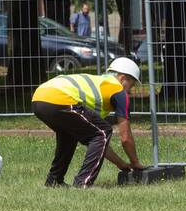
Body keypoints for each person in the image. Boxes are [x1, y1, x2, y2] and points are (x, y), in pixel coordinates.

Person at [30, 57, 145, 188]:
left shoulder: (99, 84)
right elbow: (125, 137)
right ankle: (83, 183)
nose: (130, 90)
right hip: (60, 98)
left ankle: (54, 181)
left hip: (39, 98)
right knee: (103, 132)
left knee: (70, 135)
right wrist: (134, 162)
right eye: (132, 84)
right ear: (123, 78)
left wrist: (121, 164)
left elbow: (100, 144)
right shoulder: (118, 91)